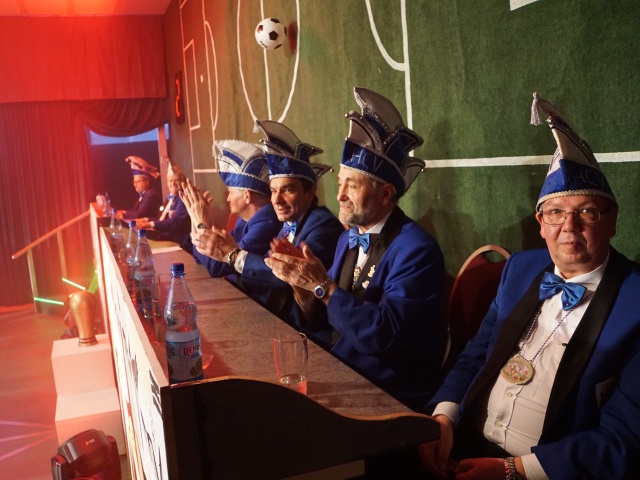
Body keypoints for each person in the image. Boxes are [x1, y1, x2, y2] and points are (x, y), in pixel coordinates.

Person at [419, 93, 640, 480]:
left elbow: (623, 439)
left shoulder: (635, 302)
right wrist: (443, 418)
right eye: (555, 212)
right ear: (540, 223)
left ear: (612, 220)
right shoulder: (521, 268)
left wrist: (514, 470)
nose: (568, 227)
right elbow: (476, 355)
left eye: (586, 211)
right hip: (466, 444)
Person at [264, 87, 446, 411]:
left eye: (352, 186)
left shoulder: (417, 250)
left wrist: (322, 286)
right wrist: (303, 288)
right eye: (339, 184)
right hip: (343, 368)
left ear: (386, 194)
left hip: (387, 392)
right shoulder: (347, 238)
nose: (339, 197)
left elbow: (385, 336)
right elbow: (325, 317)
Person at [188, 121, 344, 345]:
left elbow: (287, 276)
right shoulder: (287, 221)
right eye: (273, 191)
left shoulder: (322, 226)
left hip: (308, 337)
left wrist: (233, 255)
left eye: (287, 190)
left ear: (310, 193)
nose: (277, 200)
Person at [180, 139, 281, 283]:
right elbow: (202, 257)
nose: (228, 199)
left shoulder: (267, 222)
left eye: (230, 192)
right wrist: (194, 215)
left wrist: (201, 222)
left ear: (246, 196)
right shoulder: (244, 219)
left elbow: (217, 267)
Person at [136, 158, 191, 250]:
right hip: (165, 238)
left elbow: (175, 222)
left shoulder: (183, 198)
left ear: (182, 182)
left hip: (177, 243)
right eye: (170, 180)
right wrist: (146, 220)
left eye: (176, 180)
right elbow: (163, 219)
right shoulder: (169, 198)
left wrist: (150, 224)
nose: (173, 183)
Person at [117, 156, 163, 220]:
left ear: (147, 182)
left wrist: (123, 215)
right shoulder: (144, 194)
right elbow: (135, 209)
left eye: (138, 181)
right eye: (134, 182)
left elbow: (140, 214)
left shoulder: (150, 195)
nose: (135, 185)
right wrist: (124, 212)